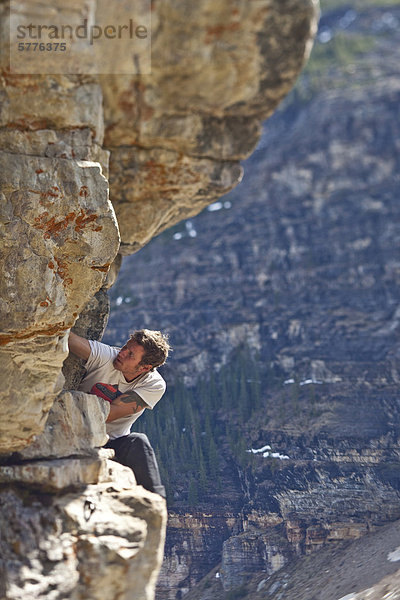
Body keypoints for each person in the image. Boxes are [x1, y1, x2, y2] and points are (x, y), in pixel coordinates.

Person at [68, 329, 171, 498]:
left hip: (111, 441)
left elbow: (107, 415)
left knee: (138, 442)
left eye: (130, 354)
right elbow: (69, 339)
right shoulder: (107, 356)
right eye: (125, 346)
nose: (122, 353)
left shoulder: (154, 384)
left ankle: (155, 504)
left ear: (145, 367)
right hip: (73, 430)